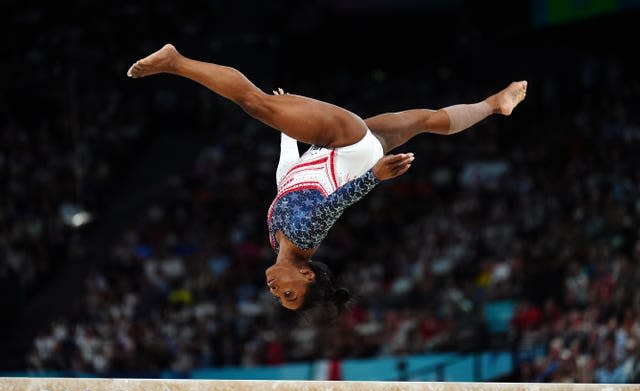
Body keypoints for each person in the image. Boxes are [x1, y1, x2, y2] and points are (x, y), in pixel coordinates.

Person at [127, 44, 527, 318]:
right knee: (255, 103)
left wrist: (287, 132)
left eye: (279, 298)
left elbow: (287, 180)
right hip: (346, 147)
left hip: (342, 153)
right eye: (289, 294)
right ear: (306, 275)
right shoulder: (304, 241)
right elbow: (335, 204)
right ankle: (176, 61)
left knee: (428, 120)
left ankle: (495, 103)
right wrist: (374, 177)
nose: (275, 291)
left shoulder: (275, 237)